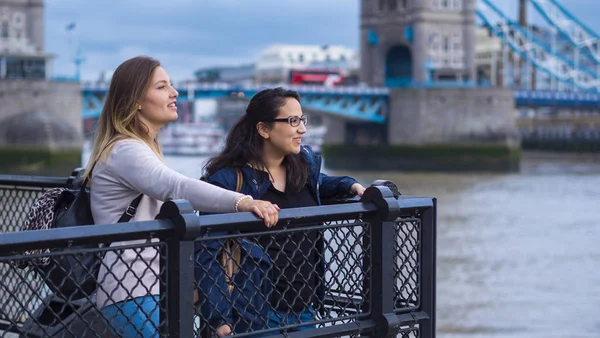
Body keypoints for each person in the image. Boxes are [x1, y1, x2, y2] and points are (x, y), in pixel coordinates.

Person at [85, 56, 280, 338]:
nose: (174, 92)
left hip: (147, 286)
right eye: (162, 86)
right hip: (131, 289)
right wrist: (243, 202)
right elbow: (177, 186)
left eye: (171, 85)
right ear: (135, 100)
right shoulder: (126, 150)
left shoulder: (137, 148)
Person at [201, 87, 366, 336]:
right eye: (292, 121)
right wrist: (220, 319)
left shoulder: (304, 169)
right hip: (254, 314)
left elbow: (321, 183)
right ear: (263, 129)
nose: (302, 129)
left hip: (305, 310)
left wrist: (349, 185)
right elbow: (206, 255)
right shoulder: (227, 182)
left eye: (302, 120)